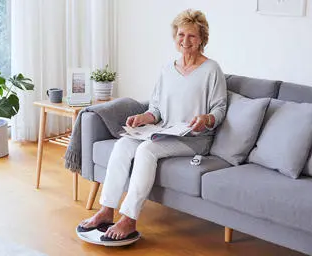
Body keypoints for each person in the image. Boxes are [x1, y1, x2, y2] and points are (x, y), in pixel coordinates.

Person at [79, 9, 227, 241]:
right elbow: (156, 110)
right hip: (165, 131)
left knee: (146, 150)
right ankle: (107, 210)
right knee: (124, 144)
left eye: (191, 36)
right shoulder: (167, 69)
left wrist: (206, 120)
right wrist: (143, 118)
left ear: (202, 39)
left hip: (194, 139)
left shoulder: (212, 70)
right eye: (181, 35)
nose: (185, 41)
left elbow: (219, 109)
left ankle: (128, 219)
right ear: (175, 36)